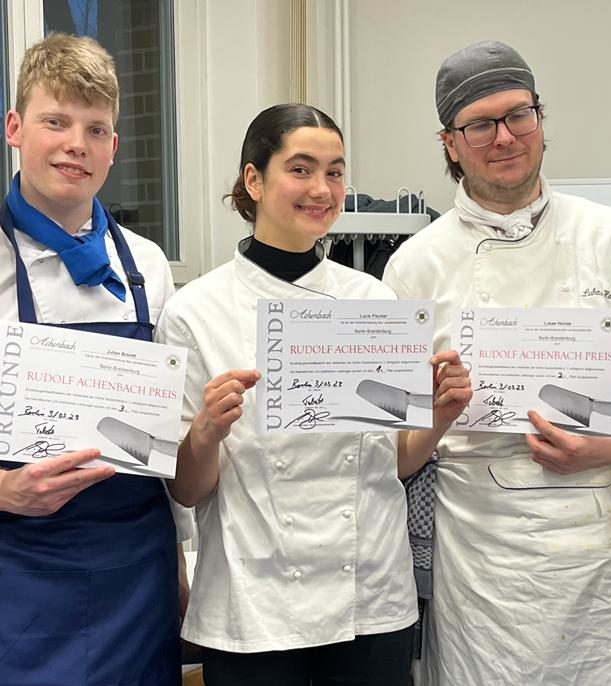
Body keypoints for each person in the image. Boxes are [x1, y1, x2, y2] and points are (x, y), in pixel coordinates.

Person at [381, 40, 611, 684]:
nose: (504, 137)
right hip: (481, 557)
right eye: (480, 124)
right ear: (449, 141)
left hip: (602, 543)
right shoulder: (414, 265)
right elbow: (391, 433)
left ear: (540, 120)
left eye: (519, 114)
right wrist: (440, 413)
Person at [156, 103, 471, 686]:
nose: (322, 189)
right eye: (300, 169)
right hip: (255, 605)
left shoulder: (374, 304)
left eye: (335, 171)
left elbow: (395, 460)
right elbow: (185, 486)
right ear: (253, 179)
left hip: (371, 597)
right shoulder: (194, 311)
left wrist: (442, 415)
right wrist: (205, 433)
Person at [0, 33, 193, 685]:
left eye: (97, 129)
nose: (77, 144)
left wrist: (181, 555)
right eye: (56, 121)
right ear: (14, 128)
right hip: (20, 575)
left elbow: (166, 426)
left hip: (138, 570)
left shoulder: (148, 266)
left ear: (114, 147)